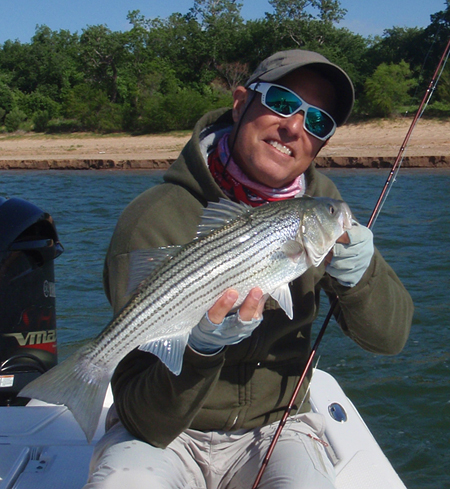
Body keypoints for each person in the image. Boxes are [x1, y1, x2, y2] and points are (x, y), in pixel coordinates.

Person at [84, 50, 413, 489]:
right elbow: (143, 415)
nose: (294, 127)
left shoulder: (324, 214)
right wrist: (200, 351)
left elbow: (390, 339)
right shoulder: (153, 218)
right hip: (166, 430)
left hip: (278, 426)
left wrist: (361, 273)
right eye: (280, 101)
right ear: (240, 102)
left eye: (318, 123)